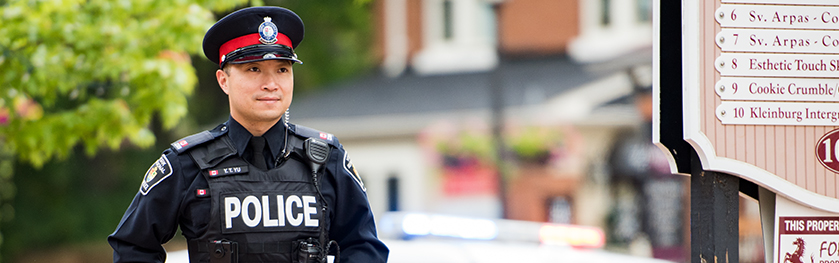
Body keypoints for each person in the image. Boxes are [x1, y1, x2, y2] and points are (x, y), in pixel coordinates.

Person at [108, 6, 389, 263]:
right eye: (253, 69)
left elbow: (363, 247)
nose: (271, 84)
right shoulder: (187, 163)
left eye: (282, 69)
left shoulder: (326, 159)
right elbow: (133, 247)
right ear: (223, 80)